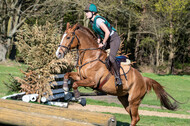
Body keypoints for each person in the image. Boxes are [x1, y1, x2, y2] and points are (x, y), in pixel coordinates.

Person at [84, 3, 122, 86]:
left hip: (113, 39)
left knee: (111, 58)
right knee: (97, 56)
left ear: (93, 12)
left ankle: (118, 77)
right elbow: (99, 33)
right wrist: (98, 41)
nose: (86, 14)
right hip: (107, 40)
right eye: (86, 12)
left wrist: (103, 43)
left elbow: (107, 32)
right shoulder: (92, 22)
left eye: (87, 12)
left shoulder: (98, 20)